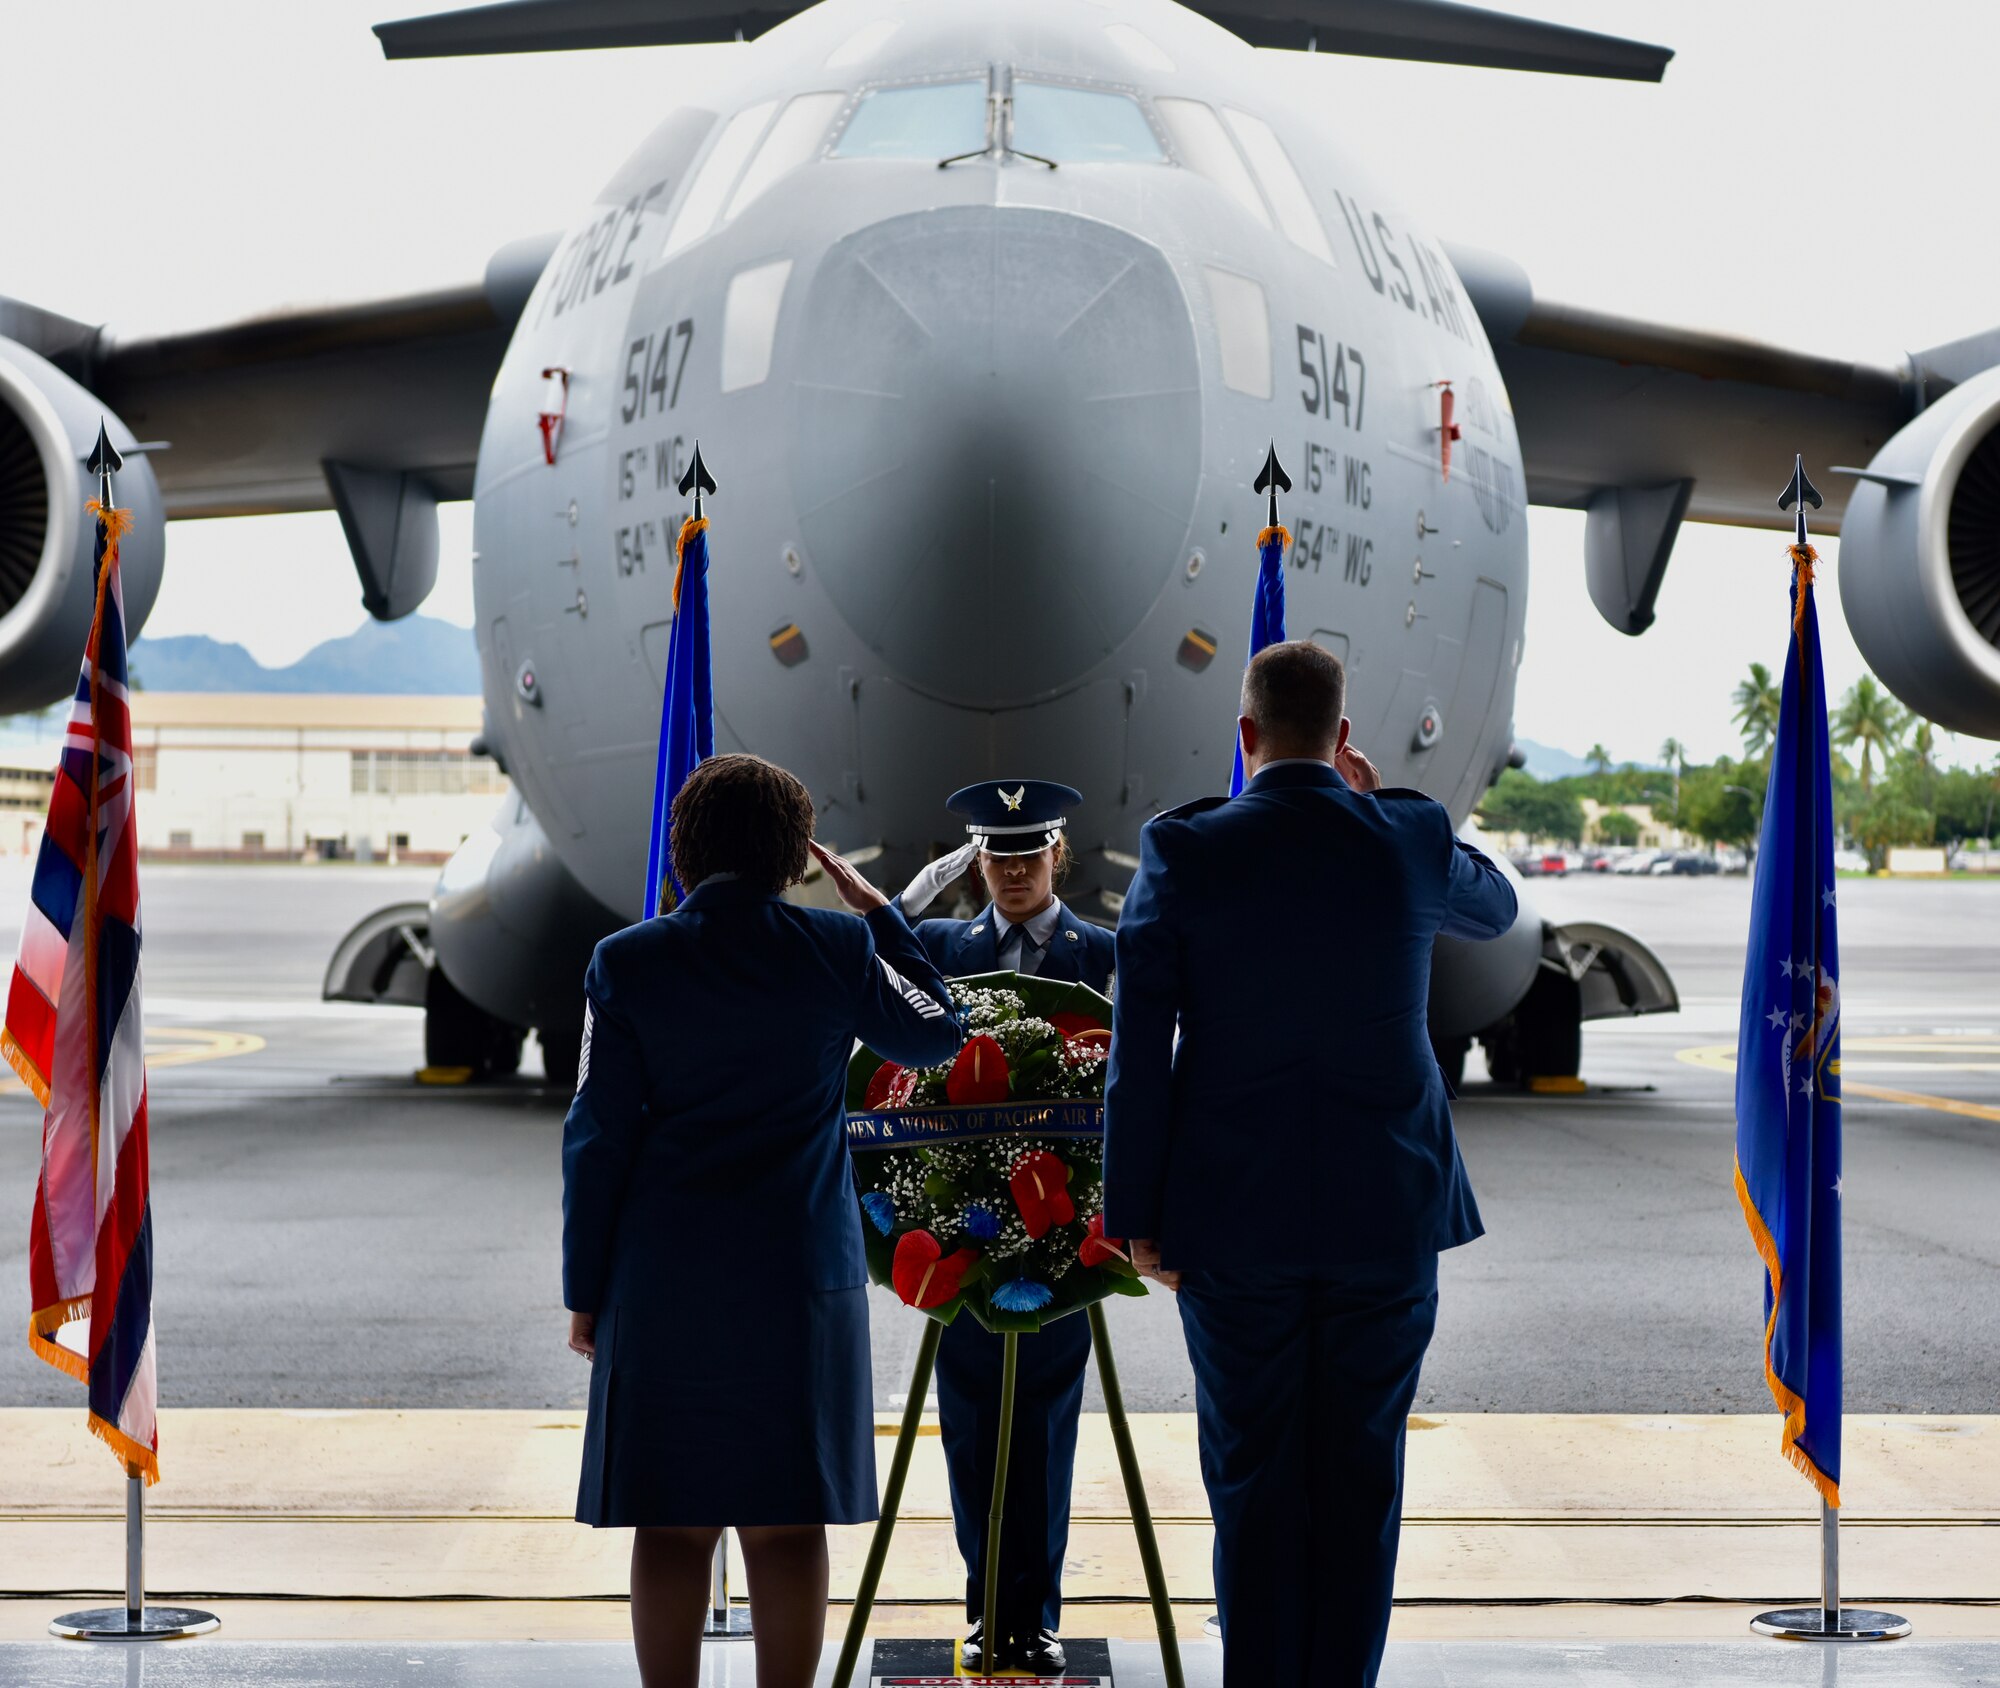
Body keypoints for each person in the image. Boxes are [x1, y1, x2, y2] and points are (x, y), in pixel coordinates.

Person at [1102, 641, 1517, 1688]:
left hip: (1231, 1217)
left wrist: (1132, 1212)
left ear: (1243, 739)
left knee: (1251, 1478)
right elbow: (1492, 907)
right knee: (1359, 1478)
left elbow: (1137, 1053)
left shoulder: (1182, 850)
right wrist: (1381, 804)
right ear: (1342, 737)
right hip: (1384, 1212)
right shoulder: (1410, 834)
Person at [561, 753, 964, 1688]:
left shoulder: (627, 962)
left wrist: (588, 1289)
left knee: (671, 1524)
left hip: (662, 1285)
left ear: (682, 850)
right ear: (795, 857)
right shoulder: (834, 949)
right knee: (787, 1527)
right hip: (798, 1283)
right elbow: (937, 1031)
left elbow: (597, 1138)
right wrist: (883, 918)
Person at [896, 779, 1114, 1675]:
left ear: (1058, 855)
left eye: (1029, 855)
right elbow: (870, 956)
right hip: (964, 1234)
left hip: (1060, 1238)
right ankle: (986, 1607)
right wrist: (914, 892)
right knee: (973, 1427)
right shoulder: (943, 945)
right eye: (997, 855)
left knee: (1047, 1431)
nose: (1013, 872)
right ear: (976, 859)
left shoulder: (1101, 952)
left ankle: (1039, 1609)